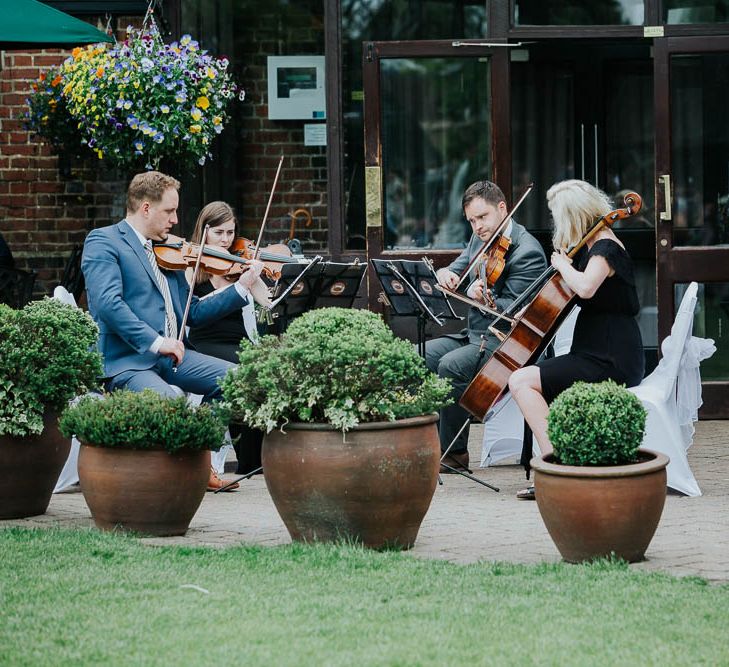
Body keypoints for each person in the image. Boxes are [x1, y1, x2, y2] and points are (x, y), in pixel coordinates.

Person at [81, 171, 265, 491]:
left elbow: (192, 313)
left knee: (236, 380)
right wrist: (157, 342)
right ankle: (177, 475)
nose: (176, 220)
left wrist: (242, 289)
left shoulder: (171, 250)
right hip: (128, 359)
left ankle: (201, 464)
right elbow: (108, 305)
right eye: (170, 211)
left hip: (171, 357)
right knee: (172, 405)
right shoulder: (104, 241)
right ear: (147, 208)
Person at [508, 179, 645, 499]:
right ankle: (559, 464)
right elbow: (563, 299)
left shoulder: (605, 247)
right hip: (596, 352)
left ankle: (552, 466)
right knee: (527, 380)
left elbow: (584, 288)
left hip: (611, 356)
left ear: (572, 214)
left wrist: (560, 265)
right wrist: (529, 313)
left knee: (521, 381)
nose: (556, 223)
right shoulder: (589, 248)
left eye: (557, 215)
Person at [428, 180, 547, 472]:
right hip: (474, 335)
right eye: (471, 220)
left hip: (506, 341)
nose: (477, 226)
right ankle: (422, 443)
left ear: (502, 208)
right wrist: (447, 273)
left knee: (450, 366)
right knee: (419, 353)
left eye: (482, 217)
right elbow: (460, 265)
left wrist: (481, 296)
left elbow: (512, 311)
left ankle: (453, 454)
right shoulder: (479, 239)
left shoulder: (527, 251)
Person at [187, 201, 268, 477]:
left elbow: (269, 303)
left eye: (230, 233)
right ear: (205, 231)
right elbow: (190, 313)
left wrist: (256, 274)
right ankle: (207, 462)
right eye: (219, 233)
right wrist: (237, 289)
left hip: (239, 344)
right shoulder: (191, 267)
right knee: (237, 372)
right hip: (204, 344)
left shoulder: (239, 265)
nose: (226, 240)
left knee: (262, 368)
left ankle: (251, 461)